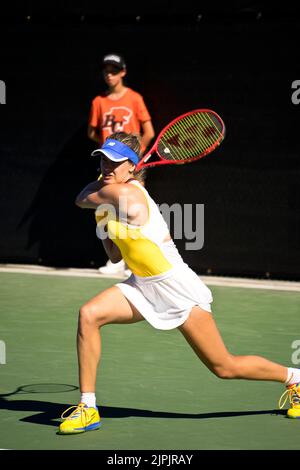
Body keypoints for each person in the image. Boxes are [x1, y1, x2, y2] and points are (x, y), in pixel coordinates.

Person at [58, 132, 300, 434]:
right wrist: (107, 226)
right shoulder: (112, 199)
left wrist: (102, 205)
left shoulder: (127, 195)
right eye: (104, 159)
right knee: (89, 315)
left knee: (224, 366)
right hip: (141, 285)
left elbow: (81, 198)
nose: (107, 166)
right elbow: (117, 256)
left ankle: (294, 377)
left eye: (116, 162)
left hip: (175, 286)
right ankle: (88, 407)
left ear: (132, 167)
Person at [88, 53, 155, 277]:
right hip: (111, 168)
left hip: (130, 167)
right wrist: (109, 154)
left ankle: (132, 261)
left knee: (131, 210)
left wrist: (133, 157)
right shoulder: (99, 102)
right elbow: (92, 132)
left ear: (123, 73)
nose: (109, 74)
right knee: (106, 209)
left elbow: (149, 132)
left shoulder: (135, 99)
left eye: (114, 70)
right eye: (106, 70)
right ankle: (115, 260)